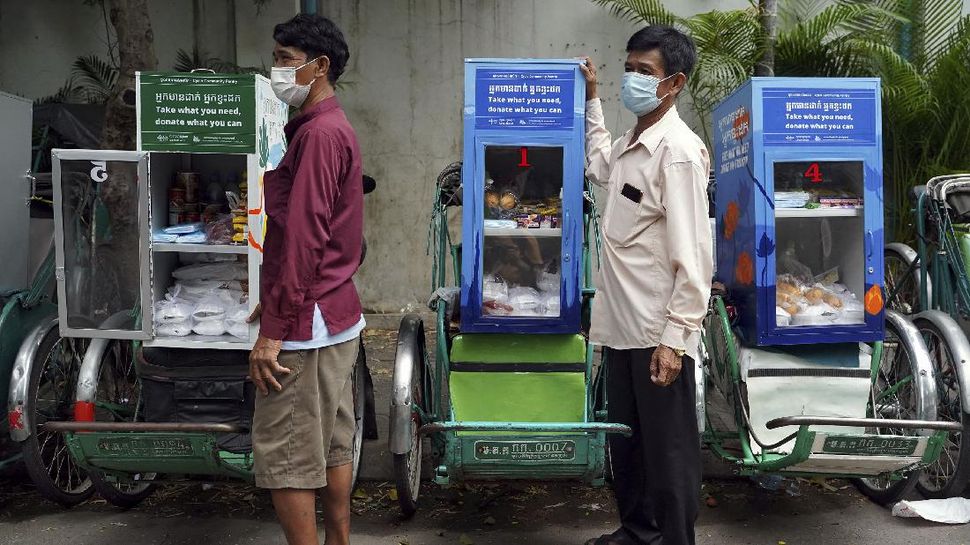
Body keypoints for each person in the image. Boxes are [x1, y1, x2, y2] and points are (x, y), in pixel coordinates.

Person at [580, 25, 713, 545]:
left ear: (674, 83)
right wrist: (592, 101)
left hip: (658, 333)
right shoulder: (632, 143)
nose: (633, 79)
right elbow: (598, 163)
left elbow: (695, 257)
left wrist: (677, 337)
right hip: (620, 327)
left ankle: (675, 539)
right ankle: (637, 532)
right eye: (629, 68)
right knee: (629, 445)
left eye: (646, 72)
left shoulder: (677, 152)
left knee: (670, 451)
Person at [247, 13, 363, 545]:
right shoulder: (329, 128)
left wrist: (276, 325)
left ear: (319, 67)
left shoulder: (319, 134)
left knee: (289, 452)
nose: (276, 69)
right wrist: (273, 300)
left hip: (307, 321)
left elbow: (304, 236)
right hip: (335, 314)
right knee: (333, 441)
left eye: (285, 60)